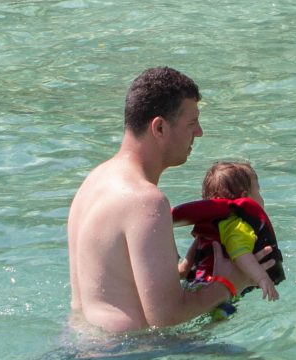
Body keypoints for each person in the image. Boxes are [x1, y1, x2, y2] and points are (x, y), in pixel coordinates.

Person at [66, 66, 263, 333]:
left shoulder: (94, 181)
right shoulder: (145, 200)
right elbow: (166, 316)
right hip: (127, 359)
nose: (200, 132)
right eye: (191, 123)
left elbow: (113, 283)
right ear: (159, 127)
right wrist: (233, 282)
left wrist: (181, 272)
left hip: (80, 341)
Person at [176, 159, 283, 307]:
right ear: (246, 196)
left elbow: (185, 267)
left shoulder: (210, 228)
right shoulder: (237, 226)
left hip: (196, 285)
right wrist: (262, 278)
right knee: (222, 315)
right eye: (258, 190)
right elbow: (240, 253)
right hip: (218, 290)